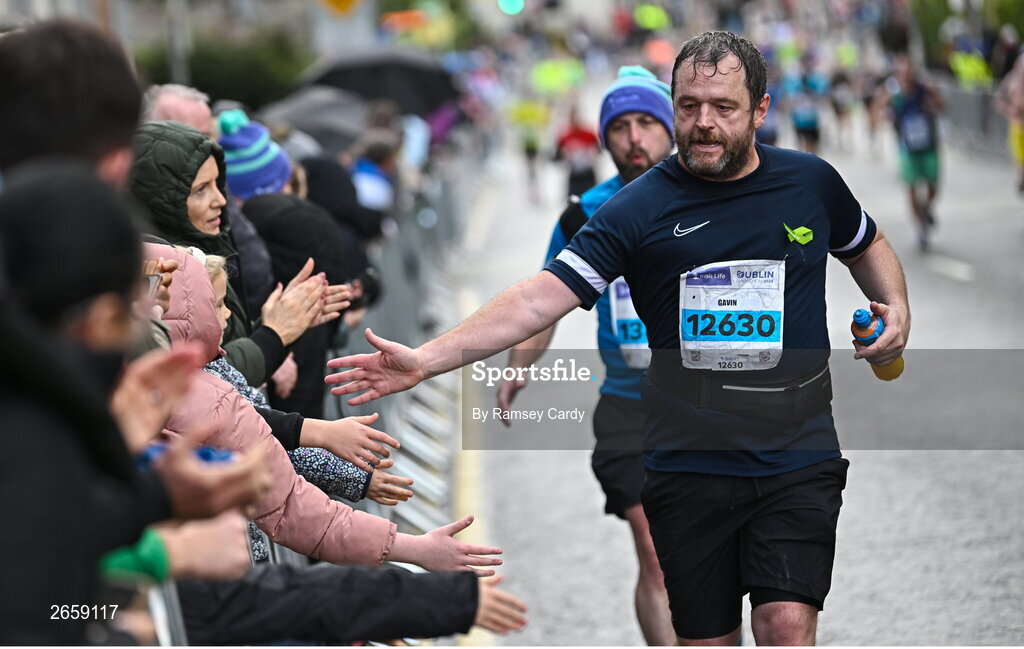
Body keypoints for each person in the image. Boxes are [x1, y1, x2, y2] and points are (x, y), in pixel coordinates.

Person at [325, 31, 910, 646]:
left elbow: (866, 244)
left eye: (723, 108)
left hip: (798, 450)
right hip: (688, 461)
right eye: (688, 107)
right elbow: (537, 297)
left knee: (787, 624)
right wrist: (424, 360)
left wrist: (896, 307)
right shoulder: (639, 206)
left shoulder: (810, 183)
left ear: (760, 110)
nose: (702, 124)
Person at [0, 164, 269, 644]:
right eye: (138, 309)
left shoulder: (41, 419)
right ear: (101, 322)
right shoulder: (34, 439)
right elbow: (46, 610)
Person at [497, 65, 676, 646]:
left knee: (711, 559)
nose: (633, 138)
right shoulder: (582, 216)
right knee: (654, 552)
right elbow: (543, 304)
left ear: (670, 128)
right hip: (628, 407)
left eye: (647, 122)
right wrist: (519, 365)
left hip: (709, 404)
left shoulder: (709, 198)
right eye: (620, 126)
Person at [872, 55, 944, 251]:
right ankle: (921, 229)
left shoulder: (925, 88)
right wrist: (885, 114)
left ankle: (926, 207)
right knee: (911, 187)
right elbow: (878, 106)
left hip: (928, 144)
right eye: (903, 70)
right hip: (907, 147)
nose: (907, 74)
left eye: (909, 70)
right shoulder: (893, 91)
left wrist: (933, 103)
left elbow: (942, 106)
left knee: (933, 185)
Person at [554, 106, 602, 198]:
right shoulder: (565, 136)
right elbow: (556, 156)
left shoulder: (589, 133)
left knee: (592, 198)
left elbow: (599, 150)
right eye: (572, 119)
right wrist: (565, 155)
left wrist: (590, 154)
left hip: (588, 174)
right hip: (574, 175)